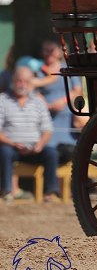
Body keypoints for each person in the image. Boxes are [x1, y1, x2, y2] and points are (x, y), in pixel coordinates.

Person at [0, 66, 59, 203]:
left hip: (34, 147)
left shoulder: (38, 102)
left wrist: (41, 143)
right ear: (13, 81)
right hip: (11, 146)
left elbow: (47, 129)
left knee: (52, 153)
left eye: (26, 81)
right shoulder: (2, 100)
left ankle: (49, 193)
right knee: (4, 152)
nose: (22, 85)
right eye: (19, 81)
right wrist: (12, 143)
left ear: (31, 83)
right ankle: (6, 191)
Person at [35, 41, 86, 166]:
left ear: (59, 52)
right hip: (47, 117)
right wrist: (48, 106)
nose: (50, 54)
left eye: (52, 50)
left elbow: (78, 90)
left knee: (70, 152)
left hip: (67, 118)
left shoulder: (68, 69)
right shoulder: (39, 71)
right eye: (47, 50)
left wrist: (63, 101)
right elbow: (35, 93)